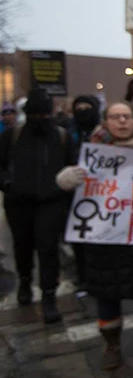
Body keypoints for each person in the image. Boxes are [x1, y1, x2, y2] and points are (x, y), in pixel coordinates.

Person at [56, 102, 133, 368]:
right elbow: (73, 191)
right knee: (107, 291)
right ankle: (111, 345)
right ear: (105, 121)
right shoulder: (90, 154)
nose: (122, 121)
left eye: (127, 116)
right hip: (106, 237)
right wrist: (66, 180)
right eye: (115, 117)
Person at [0, 88, 76, 324]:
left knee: (48, 249)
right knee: (22, 246)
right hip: (18, 203)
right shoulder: (11, 137)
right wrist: (9, 185)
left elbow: (72, 166)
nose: (41, 120)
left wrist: (66, 185)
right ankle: (25, 281)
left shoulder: (62, 137)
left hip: (51, 202)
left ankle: (49, 297)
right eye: (36, 115)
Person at [67, 95, 101, 290]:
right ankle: (84, 277)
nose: (82, 110)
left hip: (103, 194)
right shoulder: (68, 133)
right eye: (78, 107)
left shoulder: (104, 133)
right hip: (76, 195)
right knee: (79, 240)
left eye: (87, 107)